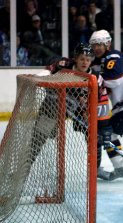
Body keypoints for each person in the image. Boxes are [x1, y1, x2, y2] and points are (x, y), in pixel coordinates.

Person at [30, 43, 113, 175]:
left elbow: (98, 101)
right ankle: (27, 165)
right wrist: (39, 77)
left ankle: (94, 171)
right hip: (54, 104)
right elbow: (48, 71)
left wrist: (94, 121)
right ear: (75, 58)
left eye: (88, 59)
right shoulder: (63, 64)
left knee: (94, 137)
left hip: (78, 109)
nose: (85, 62)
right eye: (82, 59)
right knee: (40, 135)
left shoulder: (96, 78)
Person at [89, 29, 123, 181]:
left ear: (108, 44)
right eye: (94, 45)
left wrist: (96, 78)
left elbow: (116, 79)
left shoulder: (113, 56)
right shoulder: (99, 61)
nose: (96, 48)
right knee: (122, 136)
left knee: (110, 134)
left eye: (100, 44)